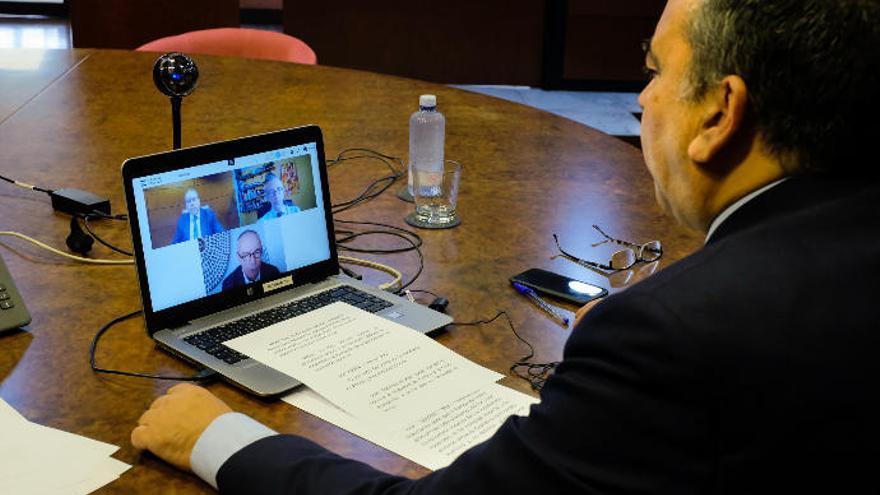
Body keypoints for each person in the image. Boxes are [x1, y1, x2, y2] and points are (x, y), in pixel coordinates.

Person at [132, 0, 880, 492]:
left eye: (655, 69)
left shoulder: (672, 337)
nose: (642, 98)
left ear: (721, 114)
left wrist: (217, 437)